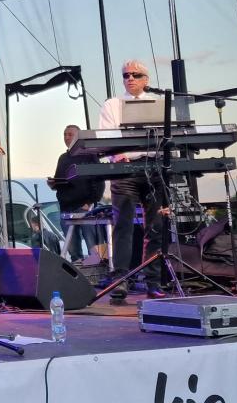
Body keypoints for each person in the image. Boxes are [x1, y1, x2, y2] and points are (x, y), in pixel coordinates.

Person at [98, 60, 167, 300]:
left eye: (136, 75)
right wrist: (118, 155)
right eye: (126, 75)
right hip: (125, 170)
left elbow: (166, 135)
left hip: (153, 168)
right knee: (123, 226)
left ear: (146, 80)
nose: (130, 78)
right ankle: (120, 280)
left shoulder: (158, 104)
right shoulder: (113, 104)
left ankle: (153, 282)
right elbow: (106, 135)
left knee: (155, 227)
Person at [48, 125, 105, 261]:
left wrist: (90, 203)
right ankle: (78, 269)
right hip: (66, 208)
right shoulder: (63, 158)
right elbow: (59, 180)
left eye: (70, 134)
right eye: (65, 134)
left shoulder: (90, 156)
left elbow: (99, 180)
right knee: (73, 251)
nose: (66, 137)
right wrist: (53, 183)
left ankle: (98, 268)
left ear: (78, 137)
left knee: (94, 248)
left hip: (85, 208)